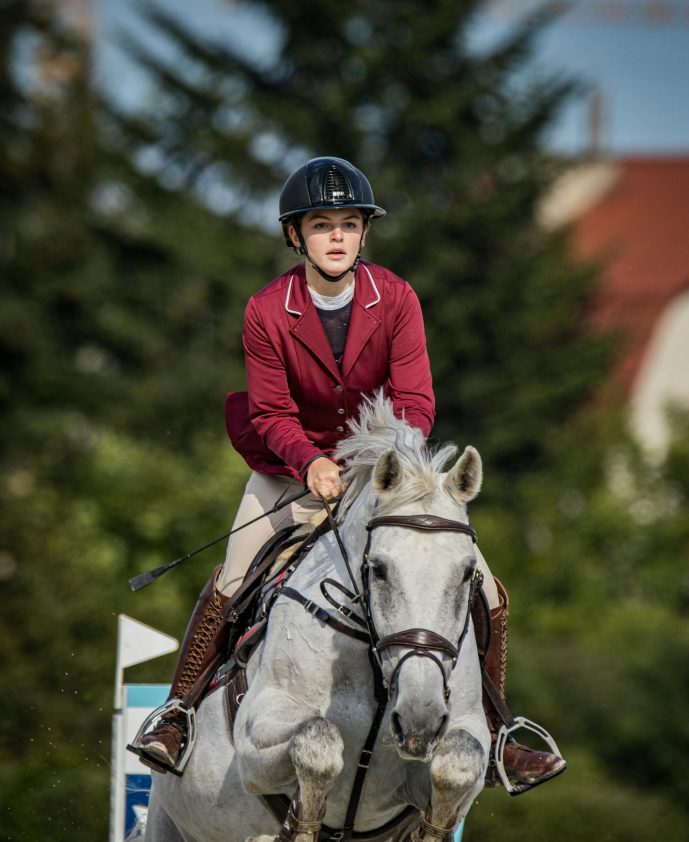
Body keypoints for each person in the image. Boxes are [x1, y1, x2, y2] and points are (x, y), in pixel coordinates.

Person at [133, 156, 565, 791]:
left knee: (489, 592)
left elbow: (416, 402)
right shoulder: (266, 310)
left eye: (348, 224)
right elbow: (272, 410)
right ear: (295, 236)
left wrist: (372, 464)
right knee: (234, 573)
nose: (336, 236)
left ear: (364, 233)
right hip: (287, 466)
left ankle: (498, 737)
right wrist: (309, 463)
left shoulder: (396, 298)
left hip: (383, 472)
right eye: (321, 225)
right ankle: (177, 716)